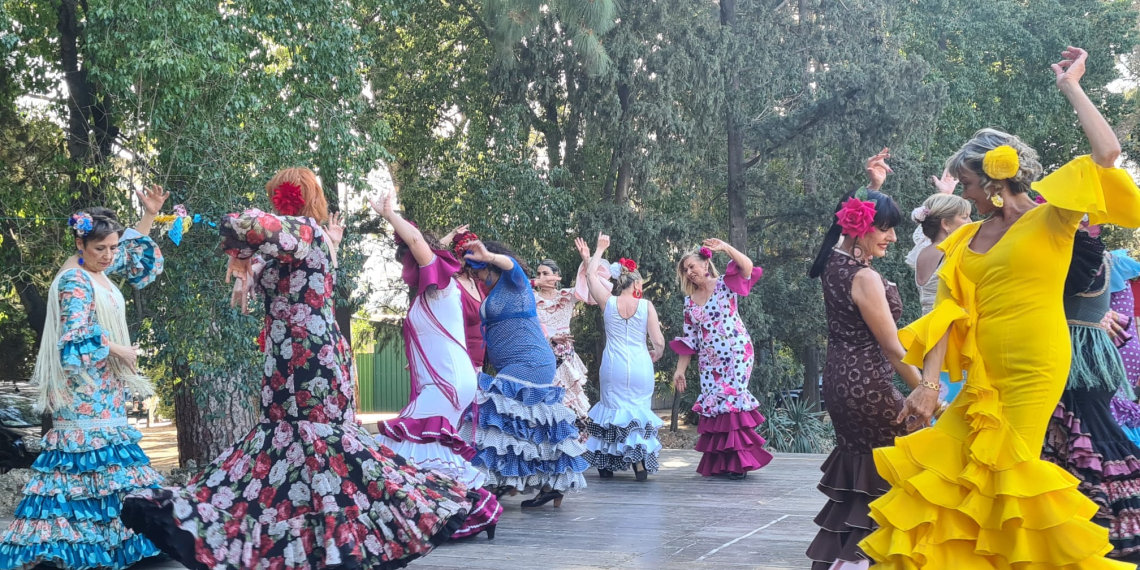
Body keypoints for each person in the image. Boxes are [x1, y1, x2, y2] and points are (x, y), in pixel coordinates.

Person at [861, 47, 1140, 568]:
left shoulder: (1050, 220)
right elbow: (946, 317)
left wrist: (1072, 87)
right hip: (985, 378)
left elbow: (1105, 155)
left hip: (1037, 367)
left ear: (992, 178)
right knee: (950, 473)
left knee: (1007, 477)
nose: (961, 193)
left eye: (964, 182)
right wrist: (926, 384)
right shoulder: (963, 239)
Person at [122, 168, 473, 569]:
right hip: (287, 357)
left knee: (314, 443)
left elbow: (243, 224)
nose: (277, 202)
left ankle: (336, 545)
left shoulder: (303, 230)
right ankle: (311, 546)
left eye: (280, 196)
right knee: (292, 450)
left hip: (309, 357)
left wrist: (231, 241)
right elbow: (254, 272)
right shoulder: (300, 239)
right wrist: (245, 265)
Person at [0, 189, 167, 570]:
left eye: (111, 247)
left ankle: (109, 543)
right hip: (84, 388)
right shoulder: (74, 280)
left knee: (106, 466)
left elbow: (129, 253)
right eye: (101, 249)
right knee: (82, 463)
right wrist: (120, 351)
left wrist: (149, 216)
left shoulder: (99, 271)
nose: (109, 256)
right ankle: (68, 548)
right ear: (80, 243)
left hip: (105, 387)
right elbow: (75, 334)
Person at [804, 150, 923, 570]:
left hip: (840, 383)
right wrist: (926, 390)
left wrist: (872, 187)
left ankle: (844, 560)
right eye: (885, 230)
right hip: (868, 384)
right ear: (861, 230)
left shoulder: (835, 263)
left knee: (863, 474)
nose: (891, 238)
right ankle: (871, 560)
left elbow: (843, 224)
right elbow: (893, 348)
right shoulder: (864, 276)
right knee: (894, 471)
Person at [370, 193, 501, 540]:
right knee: (432, 450)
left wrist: (390, 214)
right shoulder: (435, 288)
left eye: (407, 260)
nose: (405, 267)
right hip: (449, 380)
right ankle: (470, 515)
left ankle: (441, 518)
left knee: (402, 444)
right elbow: (424, 244)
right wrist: (438, 238)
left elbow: (416, 241)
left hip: (446, 382)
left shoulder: (441, 285)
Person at [460, 239, 589, 507]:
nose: (479, 277)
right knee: (530, 428)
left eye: (482, 270)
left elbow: (511, 265)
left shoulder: (514, 283)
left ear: (493, 266)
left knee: (494, 416)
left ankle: (495, 482)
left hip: (531, 360)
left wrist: (490, 256)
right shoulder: (492, 291)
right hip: (514, 363)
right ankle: (548, 484)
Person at [1040, 227, 1140, 558]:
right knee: (1089, 436)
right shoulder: (1102, 257)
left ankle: (1095, 532)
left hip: (1074, 359)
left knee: (1080, 439)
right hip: (1097, 356)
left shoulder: (1063, 256)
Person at [670, 238, 772, 480]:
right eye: (686, 270)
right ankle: (721, 462)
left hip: (737, 353)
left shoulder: (725, 284)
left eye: (693, 266)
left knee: (732, 403)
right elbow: (690, 341)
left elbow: (747, 267)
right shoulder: (689, 303)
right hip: (709, 362)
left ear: (706, 264)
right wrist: (680, 370)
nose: (690, 272)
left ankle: (738, 463)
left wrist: (725, 247)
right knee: (716, 407)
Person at [576, 234, 665, 481]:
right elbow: (658, 341)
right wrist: (656, 354)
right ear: (636, 285)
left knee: (610, 410)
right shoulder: (647, 306)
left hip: (613, 365)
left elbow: (591, 276)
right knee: (637, 411)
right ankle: (638, 461)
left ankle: (605, 463)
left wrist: (598, 250)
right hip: (640, 364)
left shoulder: (609, 302)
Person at [906, 182, 973, 410]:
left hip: (929, 339)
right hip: (951, 340)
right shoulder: (953, 253)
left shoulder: (923, 251)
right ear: (945, 224)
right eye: (965, 217)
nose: (971, 223)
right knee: (955, 406)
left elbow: (927, 234)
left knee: (937, 400)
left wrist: (945, 195)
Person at [532, 257, 605, 440]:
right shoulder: (531, 297)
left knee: (569, 401)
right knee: (546, 402)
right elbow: (527, 325)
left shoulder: (566, 295)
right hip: (542, 355)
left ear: (557, 276)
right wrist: (550, 337)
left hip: (565, 357)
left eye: (546, 274)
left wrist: (587, 258)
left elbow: (592, 289)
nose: (541, 277)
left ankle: (572, 446)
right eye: (538, 274)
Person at [441, 226, 489, 371]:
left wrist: (534, 283)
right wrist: (452, 234)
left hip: (478, 362)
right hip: (458, 360)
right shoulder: (450, 285)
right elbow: (430, 255)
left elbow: (506, 284)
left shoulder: (479, 284)